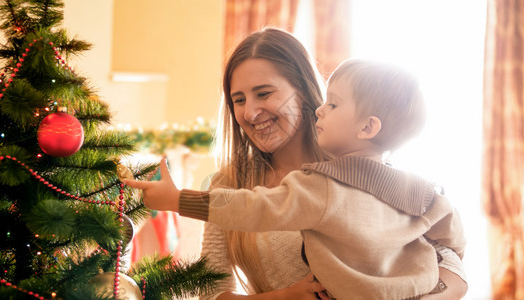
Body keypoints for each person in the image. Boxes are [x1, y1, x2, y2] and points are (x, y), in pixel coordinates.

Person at [126, 28, 468, 299]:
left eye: (264, 93)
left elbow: (447, 253)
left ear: (303, 91)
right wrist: (284, 297)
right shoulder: (229, 184)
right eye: (239, 100)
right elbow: (211, 291)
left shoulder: (359, 173)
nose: (249, 113)